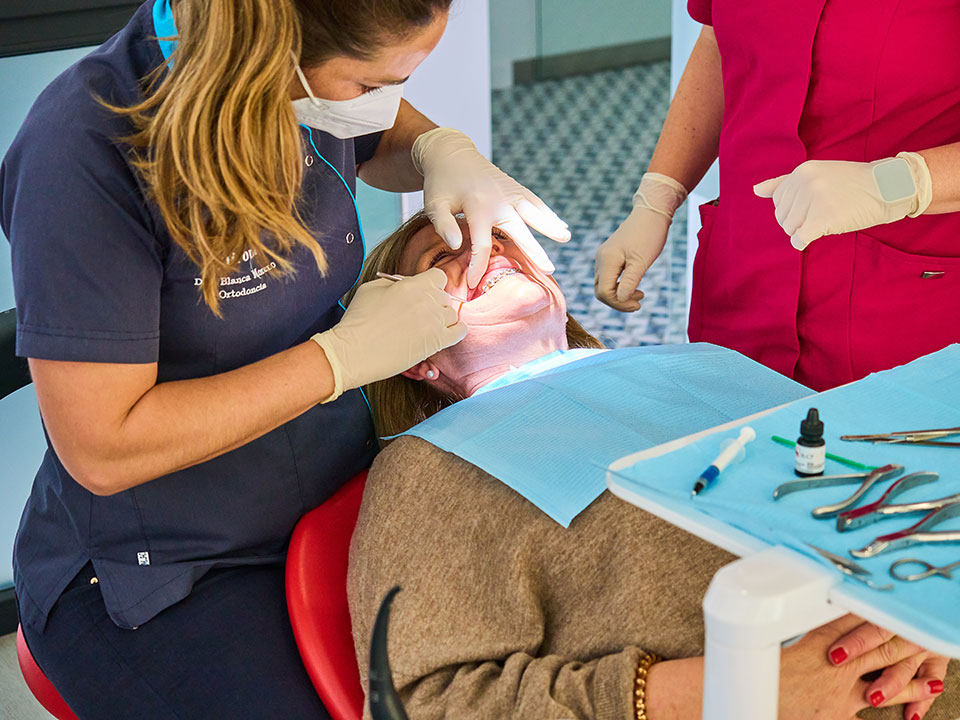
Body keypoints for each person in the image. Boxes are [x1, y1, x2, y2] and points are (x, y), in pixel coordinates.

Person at [0, 0, 571, 717]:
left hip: (339, 490)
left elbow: (376, 125)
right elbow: (102, 448)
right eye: (369, 86)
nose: (384, 106)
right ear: (273, 53)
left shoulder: (301, 85)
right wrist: (340, 357)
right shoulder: (85, 152)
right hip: (168, 570)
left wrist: (439, 149)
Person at [346, 211, 958, 720]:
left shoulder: (705, 363)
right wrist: (731, 690)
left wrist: (925, 603)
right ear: (414, 358)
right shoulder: (428, 465)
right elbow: (423, 702)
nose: (485, 247)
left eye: (498, 233)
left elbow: (889, 483)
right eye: (443, 256)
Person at [594, 1, 960, 392]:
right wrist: (659, 195)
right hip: (743, 286)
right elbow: (720, 44)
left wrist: (896, 184)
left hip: (903, 306)